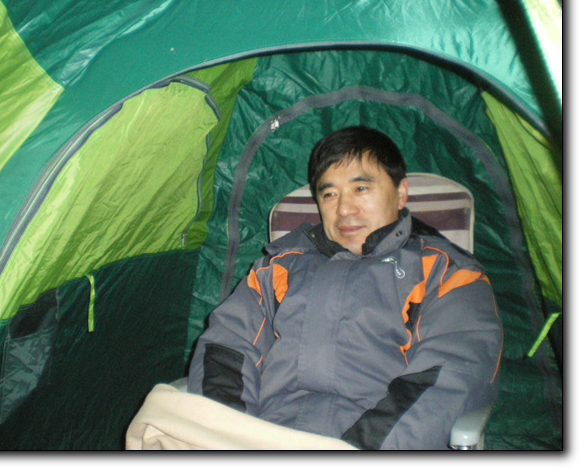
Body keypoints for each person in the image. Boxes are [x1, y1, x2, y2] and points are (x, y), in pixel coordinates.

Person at [188, 126, 503, 450]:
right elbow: (226, 351)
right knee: (161, 407)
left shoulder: (446, 272)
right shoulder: (278, 268)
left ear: (401, 193)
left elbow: (449, 378)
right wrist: (226, 439)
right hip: (263, 439)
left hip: (374, 444)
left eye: (361, 188)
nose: (344, 209)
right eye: (329, 194)